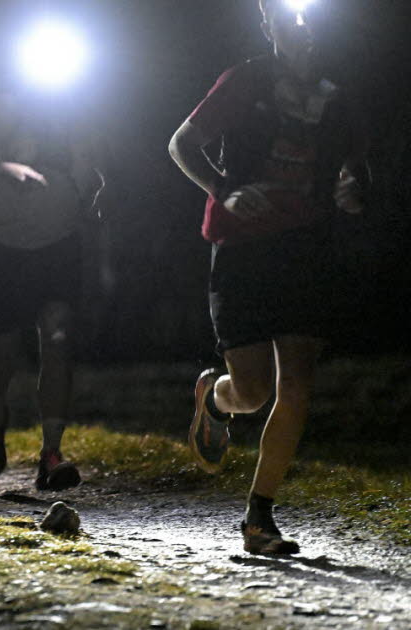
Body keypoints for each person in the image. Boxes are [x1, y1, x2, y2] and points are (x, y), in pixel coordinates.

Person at [169, 0, 368, 555]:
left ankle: (259, 517)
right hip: (242, 248)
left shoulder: (338, 96)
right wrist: (224, 189)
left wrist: (354, 190)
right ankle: (215, 398)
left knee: (298, 384)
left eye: (309, 18)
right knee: (253, 393)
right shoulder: (245, 81)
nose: (300, 27)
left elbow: (357, 171)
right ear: (268, 26)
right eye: (288, 18)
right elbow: (181, 144)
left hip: (305, 249)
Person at [0, 87, 107, 491]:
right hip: (7, 247)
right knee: (5, 352)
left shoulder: (82, 107)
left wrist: (92, 195)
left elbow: (97, 173)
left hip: (62, 245)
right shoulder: (7, 105)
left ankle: (51, 454)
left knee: (58, 341)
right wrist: (5, 168)